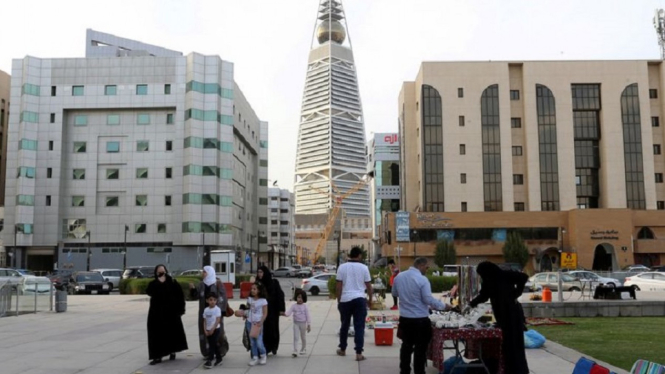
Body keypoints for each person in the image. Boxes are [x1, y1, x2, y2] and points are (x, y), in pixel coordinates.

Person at [467, 261, 529, 374]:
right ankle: (508, 369)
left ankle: (518, 370)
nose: (481, 276)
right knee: (506, 344)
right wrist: (471, 304)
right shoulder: (488, 280)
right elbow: (484, 296)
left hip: (512, 313)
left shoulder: (505, 275)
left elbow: (524, 277)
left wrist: (516, 293)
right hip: (501, 315)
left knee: (514, 343)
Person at [392, 257, 449, 374]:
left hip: (405, 318)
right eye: (427, 267)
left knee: (406, 346)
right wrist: (444, 306)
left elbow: (394, 293)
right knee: (420, 348)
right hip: (420, 320)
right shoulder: (422, 280)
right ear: (421, 265)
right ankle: (419, 371)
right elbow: (428, 299)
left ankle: (404, 370)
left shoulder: (399, 277)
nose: (427, 270)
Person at [146, 264, 188, 365]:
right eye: (159, 271)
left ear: (166, 271)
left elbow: (180, 295)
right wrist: (158, 281)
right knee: (156, 334)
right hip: (156, 313)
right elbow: (149, 292)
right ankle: (157, 356)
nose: (161, 273)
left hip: (170, 313)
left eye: (163, 271)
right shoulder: (153, 283)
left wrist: (180, 309)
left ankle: (172, 351)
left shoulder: (172, 282)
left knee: (171, 332)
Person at [335, 246, 372, 361]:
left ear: (350, 255)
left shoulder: (342, 267)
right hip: (360, 299)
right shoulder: (364, 268)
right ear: (359, 255)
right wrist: (370, 300)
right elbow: (369, 286)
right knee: (359, 326)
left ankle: (342, 349)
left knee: (344, 325)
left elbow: (339, 286)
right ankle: (359, 353)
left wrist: (339, 300)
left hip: (345, 300)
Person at [189, 266, 229, 360]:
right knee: (205, 332)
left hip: (216, 314)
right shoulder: (201, 284)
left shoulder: (217, 283)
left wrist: (220, 312)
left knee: (217, 333)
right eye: (203, 272)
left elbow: (223, 298)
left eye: (205, 272)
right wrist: (193, 289)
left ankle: (220, 351)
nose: (203, 273)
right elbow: (196, 296)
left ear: (210, 272)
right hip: (204, 314)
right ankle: (207, 352)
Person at [255, 265, 285, 355]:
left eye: (261, 272)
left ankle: (273, 346)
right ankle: (265, 347)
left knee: (273, 329)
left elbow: (280, 295)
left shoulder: (274, 283)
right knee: (263, 329)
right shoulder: (257, 284)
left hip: (272, 310)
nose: (259, 274)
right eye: (258, 272)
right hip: (261, 311)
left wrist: (281, 309)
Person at [281, 288, 311, 357]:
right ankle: (295, 350)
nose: (300, 299)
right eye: (299, 297)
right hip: (296, 323)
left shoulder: (305, 307)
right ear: (296, 297)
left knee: (303, 337)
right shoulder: (293, 306)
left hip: (303, 324)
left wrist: (309, 325)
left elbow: (308, 316)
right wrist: (283, 313)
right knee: (296, 337)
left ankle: (303, 348)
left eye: (302, 298)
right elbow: (288, 313)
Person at [247, 283, 269, 366]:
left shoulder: (263, 301)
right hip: (249, 322)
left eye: (255, 289)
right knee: (252, 342)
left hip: (258, 323)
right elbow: (247, 309)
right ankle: (255, 357)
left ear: (259, 290)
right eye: (252, 289)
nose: (252, 290)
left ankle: (263, 355)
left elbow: (265, 313)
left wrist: (261, 321)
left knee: (259, 341)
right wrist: (243, 313)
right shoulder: (249, 299)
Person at [202, 293, 223, 369]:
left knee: (212, 345)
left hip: (215, 329)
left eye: (214, 300)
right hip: (208, 330)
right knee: (213, 344)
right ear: (207, 300)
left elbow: (218, 320)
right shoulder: (206, 310)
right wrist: (205, 330)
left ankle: (210, 360)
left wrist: (212, 329)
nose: (213, 301)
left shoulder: (217, 309)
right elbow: (204, 321)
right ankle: (219, 358)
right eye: (210, 300)